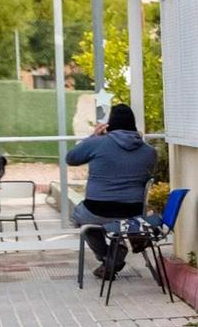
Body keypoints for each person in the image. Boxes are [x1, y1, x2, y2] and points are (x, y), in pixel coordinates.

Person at [66, 104, 158, 279]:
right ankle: (114, 253)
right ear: (133, 125)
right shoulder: (149, 152)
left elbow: (71, 158)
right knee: (91, 218)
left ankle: (108, 256)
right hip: (133, 213)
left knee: (80, 218)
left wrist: (93, 136)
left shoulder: (96, 143)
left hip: (96, 210)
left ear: (109, 125)